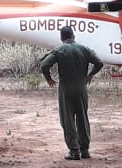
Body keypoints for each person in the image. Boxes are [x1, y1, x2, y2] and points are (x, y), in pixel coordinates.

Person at [41, 26, 104, 160]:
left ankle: (74, 151)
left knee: (68, 119)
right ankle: (85, 150)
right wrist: (90, 75)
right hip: (81, 87)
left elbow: (44, 65)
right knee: (82, 117)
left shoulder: (59, 50)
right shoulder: (84, 49)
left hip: (66, 88)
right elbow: (99, 63)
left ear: (61, 37)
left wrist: (49, 79)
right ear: (73, 36)